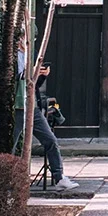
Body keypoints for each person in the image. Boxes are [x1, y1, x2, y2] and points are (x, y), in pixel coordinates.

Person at [14, 51, 78, 191]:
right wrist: (26, 74)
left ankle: (59, 177)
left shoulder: (28, 54)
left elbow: (33, 84)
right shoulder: (12, 54)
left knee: (51, 140)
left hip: (32, 105)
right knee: (12, 143)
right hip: (16, 106)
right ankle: (7, 179)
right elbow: (12, 79)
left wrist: (42, 75)